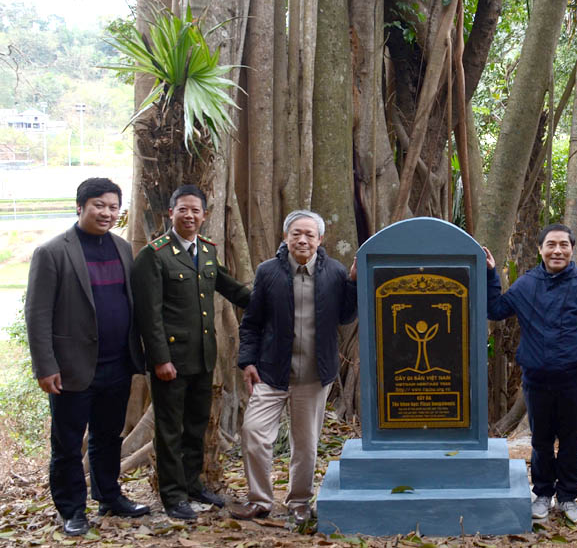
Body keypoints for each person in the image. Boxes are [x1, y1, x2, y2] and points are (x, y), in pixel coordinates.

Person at [25, 178, 150, 536]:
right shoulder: (53, 252)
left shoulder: (123, 249)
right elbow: (37, 315)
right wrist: (45, 366)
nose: (107, 212)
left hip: (117, 364)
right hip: (71, 369)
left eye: (113, 207)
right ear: (80, 207)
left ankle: (110, 496)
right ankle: (71, 509)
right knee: (66, 443)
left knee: (107, 436)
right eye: (99, 205)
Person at [229, 210, 357, 524]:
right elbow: (252, 322)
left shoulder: (335, 273)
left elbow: (346, 317)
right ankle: (260, 500)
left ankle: (299, 503)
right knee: (254, 432)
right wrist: (247, 361)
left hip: (315, 374)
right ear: (285, 237)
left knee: (306, 444)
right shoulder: (268, 271)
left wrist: (353, 283)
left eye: (309, 235)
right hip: (271, 371)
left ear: (319, 240)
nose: (302, 239)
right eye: (296, 233)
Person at [132, 184, 251, 521]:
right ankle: (172, 496)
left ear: (204, 215)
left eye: (195, 210)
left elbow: (231, 288)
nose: (189, 216)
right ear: (170, 213)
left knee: (196, 425)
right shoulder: (154, 255)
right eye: (182, 209)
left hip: (203, 357)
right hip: (171, 360)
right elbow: (149, 315)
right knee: (170, 429)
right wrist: (160, 359)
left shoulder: (208, 251)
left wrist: (272, 301)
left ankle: (191, 484)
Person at [483, 223, 577, 524]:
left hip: (574, 381)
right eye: (551, 244)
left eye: (563, 245)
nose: (557, 250)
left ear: (572, 249)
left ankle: (567, 497)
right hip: (537, 380)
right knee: (540, 441)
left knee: (570, 441)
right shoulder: (526, 285)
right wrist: (490, 273)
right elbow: (496, 309)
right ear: (541, 249)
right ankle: (541, 494)